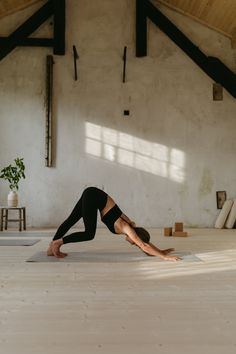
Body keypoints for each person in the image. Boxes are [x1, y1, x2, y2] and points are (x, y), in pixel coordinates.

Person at [47, 186, 180, 261]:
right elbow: (143, 244)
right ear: (135, 235)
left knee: (71, 220)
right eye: (133, 242)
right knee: (89, 234)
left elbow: (143, 242)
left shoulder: (130, 225)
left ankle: (51, 247)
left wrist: (160, 251)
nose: (132, 243)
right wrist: (164, 257)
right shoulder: (126, 227)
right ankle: (57, 243)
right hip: (93, 196)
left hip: (92, 193)